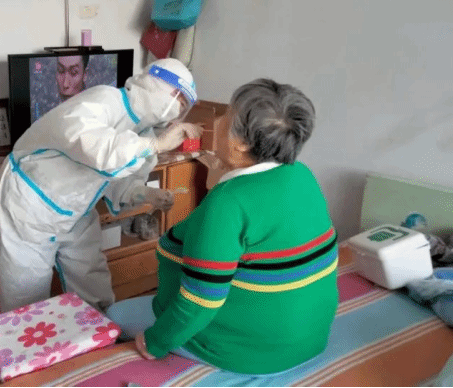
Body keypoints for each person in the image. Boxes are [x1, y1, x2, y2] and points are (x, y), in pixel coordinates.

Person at [106, 78, 338, 376]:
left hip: (252, 352)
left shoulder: (228, 204)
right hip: (309, 339)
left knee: (115, 314)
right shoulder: (301, 175)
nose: (217, 121)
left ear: (241, 143)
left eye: (226, 115)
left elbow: (200, 302)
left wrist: (155, 343)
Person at [0, 58, 202, 313]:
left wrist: (146, 193)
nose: (176, 111)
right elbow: (95, 147)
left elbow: (118, 180)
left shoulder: (144, 133)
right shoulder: (104, 99)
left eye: (183, 107)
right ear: (156, 85)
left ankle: (97, 332)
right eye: (178, 100)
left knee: (92, 282)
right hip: (32, 202)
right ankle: (23, 335)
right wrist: (155, 146)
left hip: (77, 206)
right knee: (25, 293)